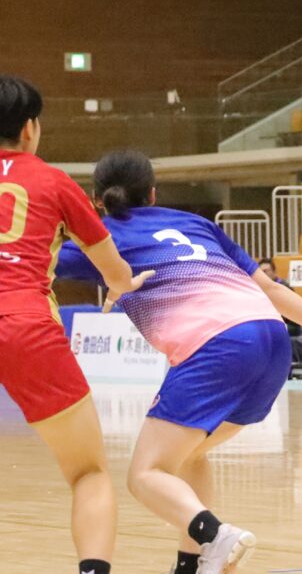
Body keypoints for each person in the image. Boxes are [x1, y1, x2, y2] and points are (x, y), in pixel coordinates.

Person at [55, 150, 302, 574]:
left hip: (216, 346)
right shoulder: (196, 224)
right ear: (153, 192)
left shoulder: (103, 239)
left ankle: (215, 535)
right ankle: (193, 564)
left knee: (144, 474)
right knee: (188, 457)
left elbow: (35, 259)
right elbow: (271, 290)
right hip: (270, 338)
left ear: (97, 200)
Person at [0, 77, 152, 574]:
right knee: (88, 472)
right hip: (24, 326)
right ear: (30, 129)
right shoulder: (53, 181)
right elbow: (114, 273)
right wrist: (125, 284)